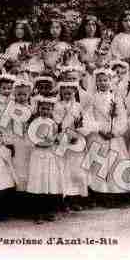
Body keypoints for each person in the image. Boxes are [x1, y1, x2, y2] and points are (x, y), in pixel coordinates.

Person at [86, 68, 130, 207]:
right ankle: (99, 193)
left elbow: (122, 118)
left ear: (110, 82)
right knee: (99, 164)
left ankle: (114, 194)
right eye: (99, 80)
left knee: (115, 162)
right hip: (98, 135)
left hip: (113, 137)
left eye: (105, 80)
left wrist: (115, 131)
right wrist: (99, 129)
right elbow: (88, 117)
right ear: (96, 82)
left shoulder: (116, 99)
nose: (103, 83)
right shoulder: (92, 99)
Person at [53, 81, 89, 211]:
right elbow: (57, 124)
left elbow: (81, 123)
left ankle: (76, 199)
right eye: (65, 92)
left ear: (74, 92)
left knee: (76, 171)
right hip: (63, 139)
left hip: (75, 139)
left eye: (70, 92)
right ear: (61, 92)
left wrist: (77, 133)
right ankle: (64, 200)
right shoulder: (57, 106)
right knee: (63, 170)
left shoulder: (78, 106)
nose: (68, 95)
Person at [26, 96, 63, 223]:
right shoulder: (34, 123)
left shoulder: (53, 123)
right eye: (42, 108)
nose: (45, 111)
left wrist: (53, 141)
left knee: (49, 182)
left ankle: (49, 211)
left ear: (52, 110)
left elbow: (55, 138)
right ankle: (38, 212)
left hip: (50, 155)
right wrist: (40, 142)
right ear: (38, 109)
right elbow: (31, 138)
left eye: (48, 109)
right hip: (37, 155)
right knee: (38, 183)